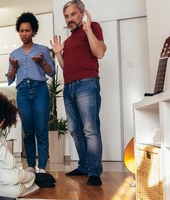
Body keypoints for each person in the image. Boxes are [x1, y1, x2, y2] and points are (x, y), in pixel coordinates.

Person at [51, 0, 106, 186]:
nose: (69, 19)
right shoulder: (68, 41)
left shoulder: (93, 27)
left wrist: (88, 29)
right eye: (66, 16)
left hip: (87, 84)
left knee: (90, 129)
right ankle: (83, 166)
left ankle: (94, 171)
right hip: (69, 87)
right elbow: (67, 68)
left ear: (82, 13)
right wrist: (58, 53)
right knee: (75, 130)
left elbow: (99, 52)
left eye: (73, 14)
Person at [6, 12, 55, 174]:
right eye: (21, 30)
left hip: (40, 90)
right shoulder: (14, 54)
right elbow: (10, 79)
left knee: (41, 129)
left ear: (33, 31)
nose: (24, 34)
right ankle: (30, 166)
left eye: (27, 30)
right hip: (23, 93)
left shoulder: (42, 50)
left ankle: (41, 167)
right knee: (28, 131)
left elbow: (51, 72)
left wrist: (41, 62)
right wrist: (13, 67)